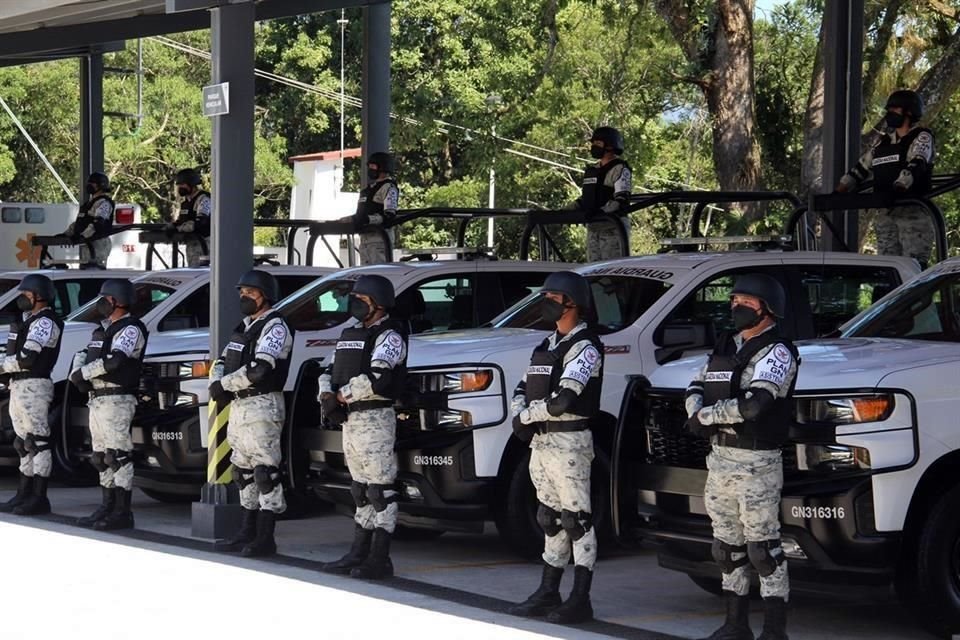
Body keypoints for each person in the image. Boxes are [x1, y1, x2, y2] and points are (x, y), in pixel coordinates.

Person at [683, 274, 800, 640]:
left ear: (767, 309)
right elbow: (695, 384)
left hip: (756, 463)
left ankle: (774, 630)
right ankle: (735, 624)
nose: (735, 307)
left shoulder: (777, 352)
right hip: (720, 461)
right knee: (726, 548)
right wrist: (694, 409)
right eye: (733, 300)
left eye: (745, 302)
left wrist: (706, 416)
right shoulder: (726, 347)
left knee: (763, 550)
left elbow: (756, 405)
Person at [509, 271, 603, 624]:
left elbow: (564, 398)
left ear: (572, 303)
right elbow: (523, 387)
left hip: (569, 441)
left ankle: (581, 598)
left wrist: (527, 416)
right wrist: (521, 414)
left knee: (576, 520)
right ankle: (548, 591)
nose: (546, 303)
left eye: (553, 297)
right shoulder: (546, 346)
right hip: (543, 442)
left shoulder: (586, 347)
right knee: (549, 518)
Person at [318, 274, 407, 579]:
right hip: (351, 420)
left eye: (362, 299)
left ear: (378, 304)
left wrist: (341, 396)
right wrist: (326, 394)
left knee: (380, 490)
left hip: (375, 418)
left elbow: (379, 376)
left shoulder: (390, 335)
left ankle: (380, 558)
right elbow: (329, 368)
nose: (355, 303)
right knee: (360, 489)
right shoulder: (351, 333)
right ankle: (358, 552)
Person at [211, 270, 294, 557]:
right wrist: (218, 381)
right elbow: (223, 360)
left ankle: (265, 536)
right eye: (241, 291)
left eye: (250, 291)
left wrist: (224, 384)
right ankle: (246, 530)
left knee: (265, 473)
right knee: (243, 471)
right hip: (240, 406)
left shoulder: (275, 326)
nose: (243, 296)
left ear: (265, 295)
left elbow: (261, 368)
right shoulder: (244, 326)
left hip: (262, 405)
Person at [69, 279, 148, 530]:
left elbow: (115, 361)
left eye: (105, 297)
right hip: (98, 399)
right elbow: (83, 355)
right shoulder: (103, 330)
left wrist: (83, 374)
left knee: (118, 456)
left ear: (116, 300)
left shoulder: (131, 329)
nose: (101, 302)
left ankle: (122, 512)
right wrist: (77, 373)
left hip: (117, 399)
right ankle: (107, 505)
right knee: (101, 457)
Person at [836, 89, 935, 267]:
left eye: (894, 110)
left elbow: (917, 163)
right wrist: (838, 191)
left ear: (909, 112)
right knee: (887, 265)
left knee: (913, 266)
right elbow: (860, 169)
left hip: (912, 214)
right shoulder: (884, 144)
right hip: (886, 213)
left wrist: (899, 187)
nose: (890, 114)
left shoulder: (921, 137)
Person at [0, 275, 63, 515]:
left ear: (38, 296)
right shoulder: (29, 321)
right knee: (22, 443)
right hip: (20, 386)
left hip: (34, 385)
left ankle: (39, 496)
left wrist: (3, 367)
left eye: (26, 294)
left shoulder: (45, 322)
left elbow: (28, 358)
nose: (22, 298)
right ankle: (23, 493)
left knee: (37, 442)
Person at [575, 127, 632, 262]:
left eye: (598, 143)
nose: (594, 147)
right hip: (593, 228)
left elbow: (620, 200)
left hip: (612, 228)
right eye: (593, 143)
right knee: (594, 270)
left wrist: (600, 212)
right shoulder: (592, 170)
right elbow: (586, 198)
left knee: (612, 270)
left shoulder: (619, 168)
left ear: (611, 146)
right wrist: (565, 211)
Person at [349, 152, 399, 265]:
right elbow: (361, 214)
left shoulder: (389, 187)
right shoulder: (367, 190)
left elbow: (389, 216)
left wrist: (368, 220)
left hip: (379, 241)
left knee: (379, 273)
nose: (370, 169)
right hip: (365, 240)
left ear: (383, 167)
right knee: (366, 273)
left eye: (373, 166)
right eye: (369, 166)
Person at [65, 171, 115, 269]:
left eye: (92, 183)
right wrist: (67, 234)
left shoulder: (104, 203)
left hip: (98, 244)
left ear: (101, 185)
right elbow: (80, 222)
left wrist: (83, 236)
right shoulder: (88, 204)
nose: (89, 185)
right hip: (88, 244)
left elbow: (97, 224)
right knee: (86, 268)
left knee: (95, 270)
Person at [171, 168, 212, 267]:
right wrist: (171, 227)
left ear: (192, 184)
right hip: (192, 245)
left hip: (205, 246)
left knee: (201, 275)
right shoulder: (185, 203)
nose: (180, 187)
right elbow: (181, 221)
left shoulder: (204, 199)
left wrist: (178, 228)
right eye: (178, 185)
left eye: (182, 184)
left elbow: (199, 223)